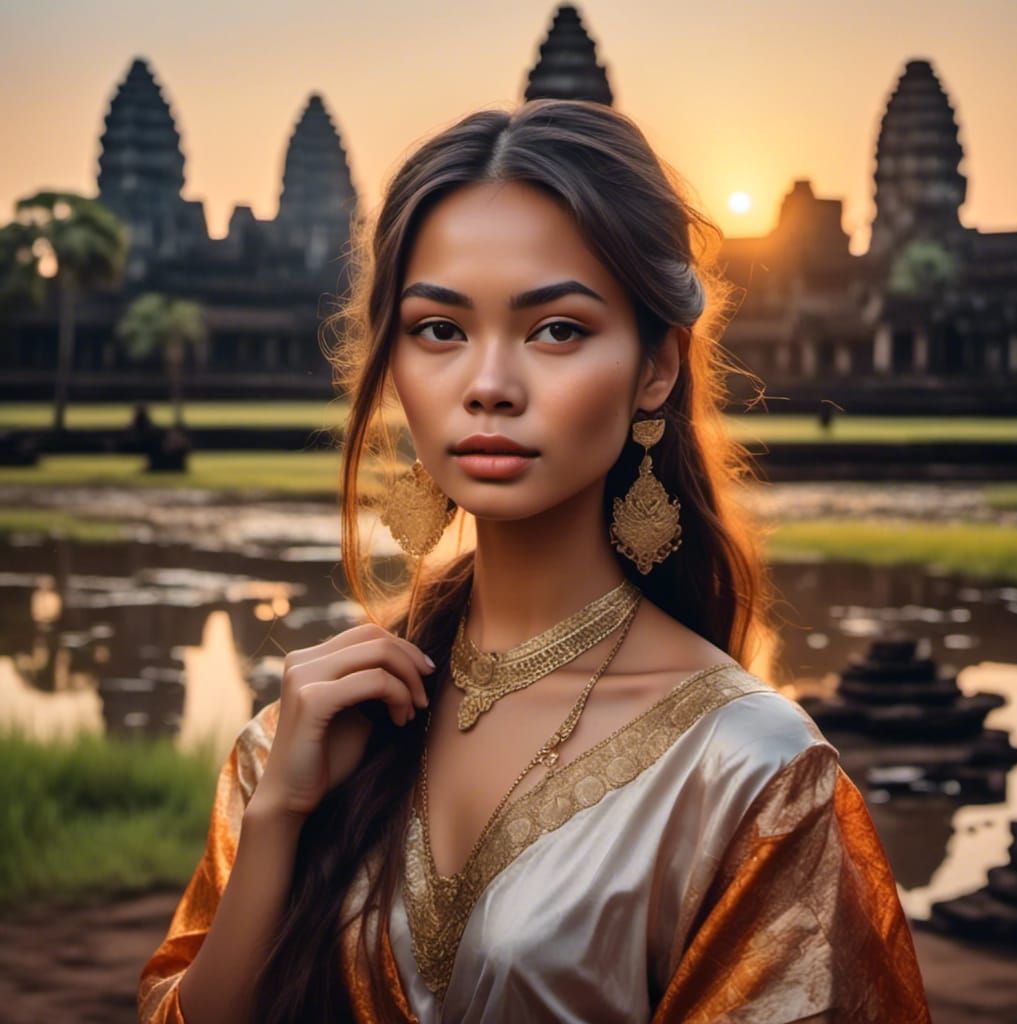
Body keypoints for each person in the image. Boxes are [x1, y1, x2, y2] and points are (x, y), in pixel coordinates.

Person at [138, 98, 931, 1024]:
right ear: (394, 360)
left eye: (556, 330)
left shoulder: (752, 776)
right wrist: (278, 820)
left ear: (656, 369)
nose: (488, 386)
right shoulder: (298, 742)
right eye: (439, 329)